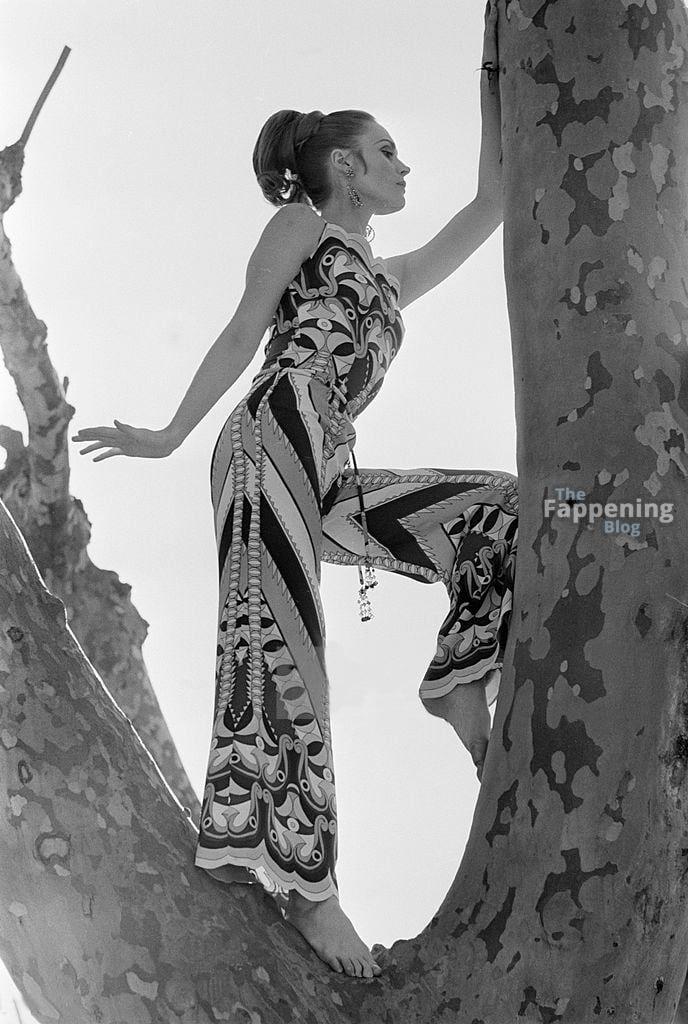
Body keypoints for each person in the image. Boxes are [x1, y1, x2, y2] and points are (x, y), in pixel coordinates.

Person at [71, 77, 516, 982]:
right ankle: (310, 889)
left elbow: (493, 203)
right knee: (283, 648)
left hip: (331, 468)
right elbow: (245, 330)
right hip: (270, 434)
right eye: (387, 152)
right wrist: (168, 434)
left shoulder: (390, 277)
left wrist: (494, 77)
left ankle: (460, 681)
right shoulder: (302, 228)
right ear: (343, 166)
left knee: (501, 508)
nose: (402, 166)